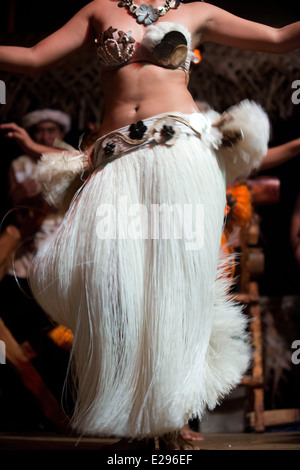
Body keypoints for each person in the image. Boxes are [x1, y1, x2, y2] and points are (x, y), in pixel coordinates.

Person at [1, 0, 299, 450]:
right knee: (115, 286)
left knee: (173, 288)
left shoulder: (197, 11)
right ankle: (135, 414)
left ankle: (171, 418)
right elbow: (34, 57)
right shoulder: (98, 10)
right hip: (114, 161)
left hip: (180, 155)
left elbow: (278, 39)